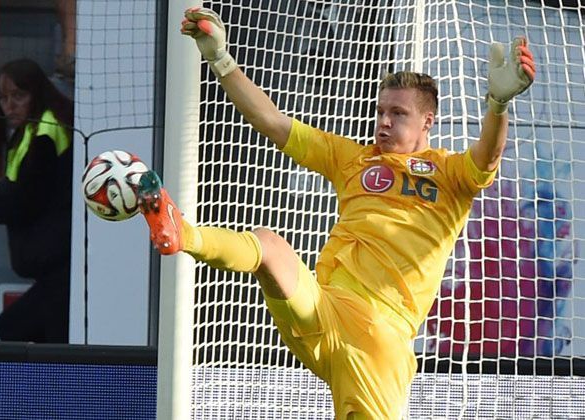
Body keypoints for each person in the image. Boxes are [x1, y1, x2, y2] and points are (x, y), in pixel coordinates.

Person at [138, 7, 536, 419]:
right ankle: (182, 232)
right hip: (323, 309)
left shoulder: (450, 173)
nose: (383, 122)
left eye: (398, 114)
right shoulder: (352, 159)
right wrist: (220, 60)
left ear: (427, 122)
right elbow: (270, 120)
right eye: (381, 111)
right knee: (269, 247)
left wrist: (497, 105)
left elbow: (486, 158)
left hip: (380, 338)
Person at [0, 58, 74, 343]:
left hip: (62, 273)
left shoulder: (46, 135)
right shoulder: (30, 132)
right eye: (3, 98)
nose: (9, 106)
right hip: (51, 275)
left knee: (12, 327)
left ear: (36, 93)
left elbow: (22, 203)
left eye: (18, 96)